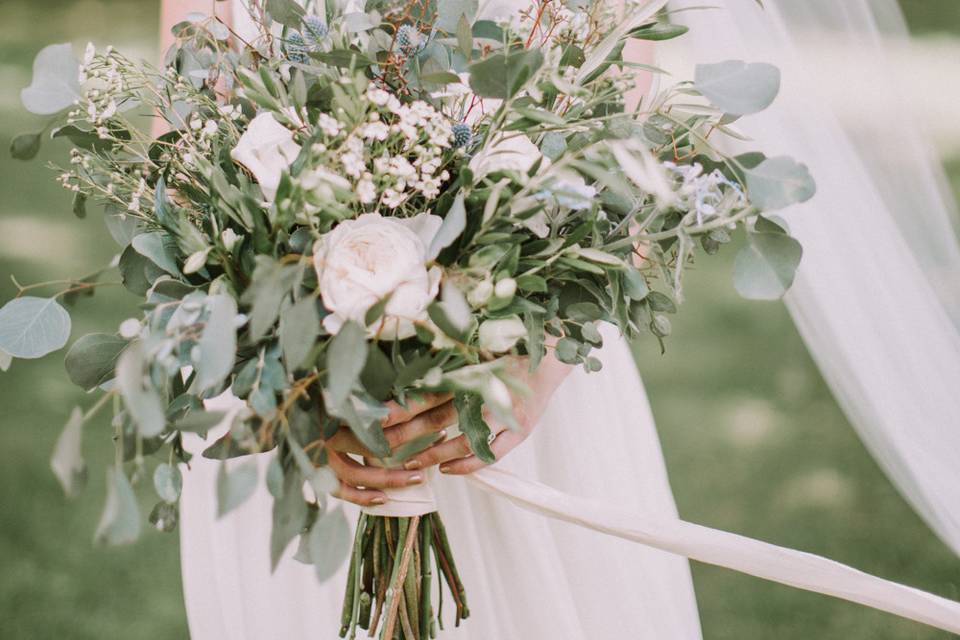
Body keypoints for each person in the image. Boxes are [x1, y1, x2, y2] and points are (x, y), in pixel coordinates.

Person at [166, 1, 703, 638]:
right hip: (295, 397)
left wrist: (541, 363)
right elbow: (178, 160)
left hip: (513, 385)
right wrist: (288, 387)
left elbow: (630, 181)